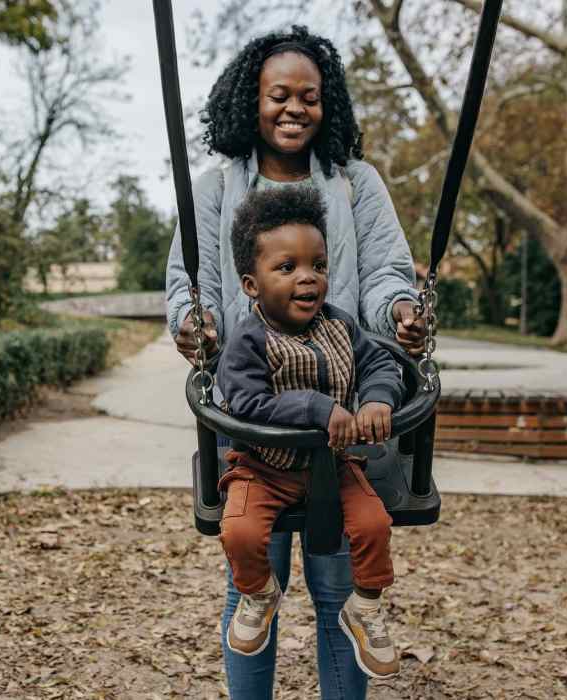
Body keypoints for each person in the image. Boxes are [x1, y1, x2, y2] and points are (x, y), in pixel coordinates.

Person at [165, 24, 426, 699]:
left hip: (340, 428)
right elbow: (191, 286)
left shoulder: (355, 185)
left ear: (326, 103)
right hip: (252, 421)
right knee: (252, 570)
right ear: (250, 101)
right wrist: (197, 326)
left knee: (339, 584)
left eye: (308, 97)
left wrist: (401, 314)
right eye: (278, 95)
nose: (293, 109)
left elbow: (385, 277)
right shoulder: (217, 189)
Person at [217, 186, 402, 681]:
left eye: (317, 265)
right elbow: (247, 403)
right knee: (238, 531)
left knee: (374, 526)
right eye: (287, 267)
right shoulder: (247, 340)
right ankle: (259, 593)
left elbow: (380, 362)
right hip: (263, 468)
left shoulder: (340, 325)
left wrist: (379, 397)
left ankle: (364, 605)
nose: (308, 278)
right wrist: (319, 407)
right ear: (252, 285)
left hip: (334, 468)